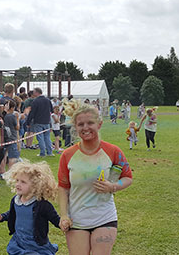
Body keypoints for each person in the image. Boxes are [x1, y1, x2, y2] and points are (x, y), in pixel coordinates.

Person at [58, 102, 133, 255]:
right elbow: (63, 187)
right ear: (75, 127)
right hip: (77, 219)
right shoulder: (67, 155)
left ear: (99, 124)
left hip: (104, 218)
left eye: (90, 123)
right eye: (80, 124)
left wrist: (113, 186)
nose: (85, 127)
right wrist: (64, 215)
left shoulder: (112, 151)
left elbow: (127, 177)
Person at [0, 160, 62, 254]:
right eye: (17, 180)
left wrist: (64, 224)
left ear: (35, 186)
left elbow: (55, 219)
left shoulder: (42, 205)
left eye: (23, 182)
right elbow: (13, 213)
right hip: (19, 241)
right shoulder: (15, 200)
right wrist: (1, 217)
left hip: (36, 244)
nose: (18, 184)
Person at [26, 87, 53, 157]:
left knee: (40, 137)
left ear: (37, 92)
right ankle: (49, 152)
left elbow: (32, 113)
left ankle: (42, 153)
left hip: (38, 121)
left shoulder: (35, 101)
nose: (33, 93)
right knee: (47, 137)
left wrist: (28, 122)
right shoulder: (48, 100)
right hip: (47, 121)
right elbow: (51, 110)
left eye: (34, 92)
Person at [4, 100, 20, 167]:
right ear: (12, 108)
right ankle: (11, 172)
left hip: (5, 138)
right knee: (12, 157)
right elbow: (17, 127)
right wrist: (17, 119)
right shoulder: (12, 116)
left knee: (4, 155)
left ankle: (2, 171)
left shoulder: (4, 115)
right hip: (12, 137)